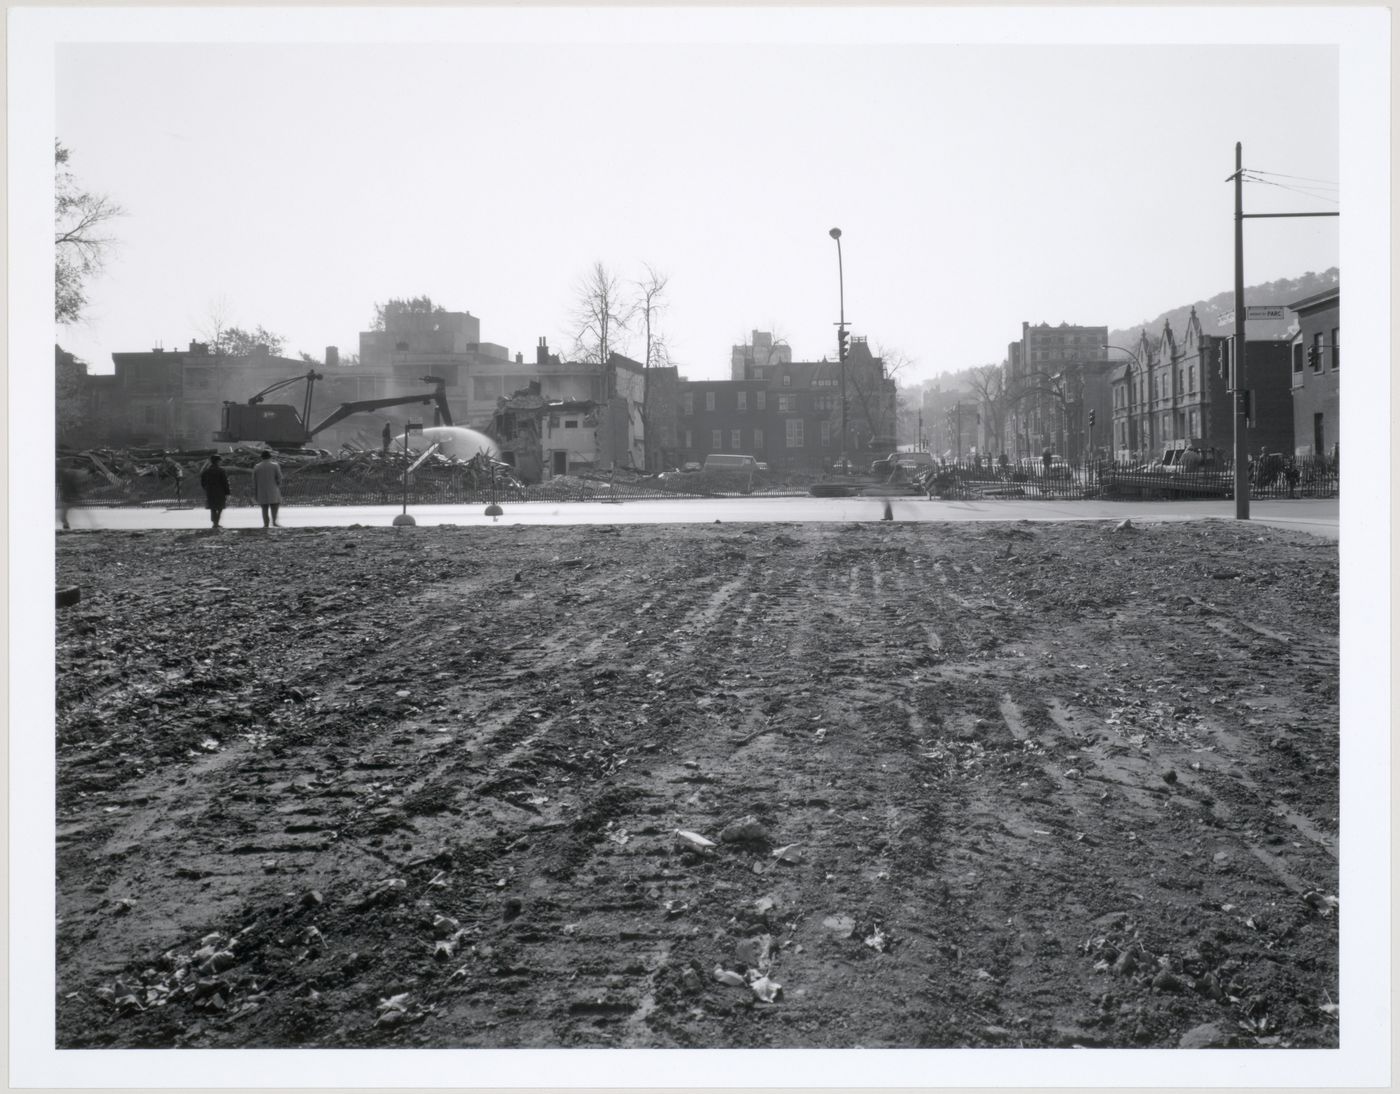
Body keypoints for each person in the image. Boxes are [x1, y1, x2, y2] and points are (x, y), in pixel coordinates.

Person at [252, 449, 283, 528]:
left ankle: (266, 524)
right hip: (273, 489)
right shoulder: (275, 465)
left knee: (264, 508)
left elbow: (254, 480)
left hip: (261, 490)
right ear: (270, 457)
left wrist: (255, 491)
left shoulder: (257, 466)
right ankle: (274, 522)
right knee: (275, 506)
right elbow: (279, 478)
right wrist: (278, 484)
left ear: (262, 457)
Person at [200, 454, 231, 529]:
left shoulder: (206, 471)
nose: (221, 462)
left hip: (210, 491)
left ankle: (215, 522)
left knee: (213, 507)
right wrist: (227, 492)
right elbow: (225, 482)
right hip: (220, 491)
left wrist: (206, 488)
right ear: (217, 461)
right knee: (220, 507)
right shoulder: (221, 471)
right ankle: (216, 522)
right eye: (220, 461)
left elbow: (202, 482)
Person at [57, 465, 82, 531]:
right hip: (68, 499)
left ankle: (66, 528)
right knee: (62, 517)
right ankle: (66, 527)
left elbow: (69, 489)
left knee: (62, 517)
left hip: (68, 500)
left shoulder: (66, 479)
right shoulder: (66, 479)